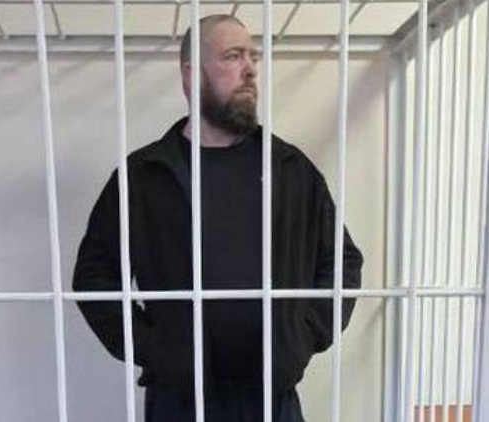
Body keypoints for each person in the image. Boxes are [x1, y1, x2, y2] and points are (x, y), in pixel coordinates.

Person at [73, 14, 363, 422]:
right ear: (191, 74)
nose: (250, 70)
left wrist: (302, 334)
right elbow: (94, 278)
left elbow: (342, 262)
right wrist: (153, 348)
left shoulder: (289, 168)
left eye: (253, 57)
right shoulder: (144, 176)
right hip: (178, 402)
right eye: (232, 56)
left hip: (272, 400)